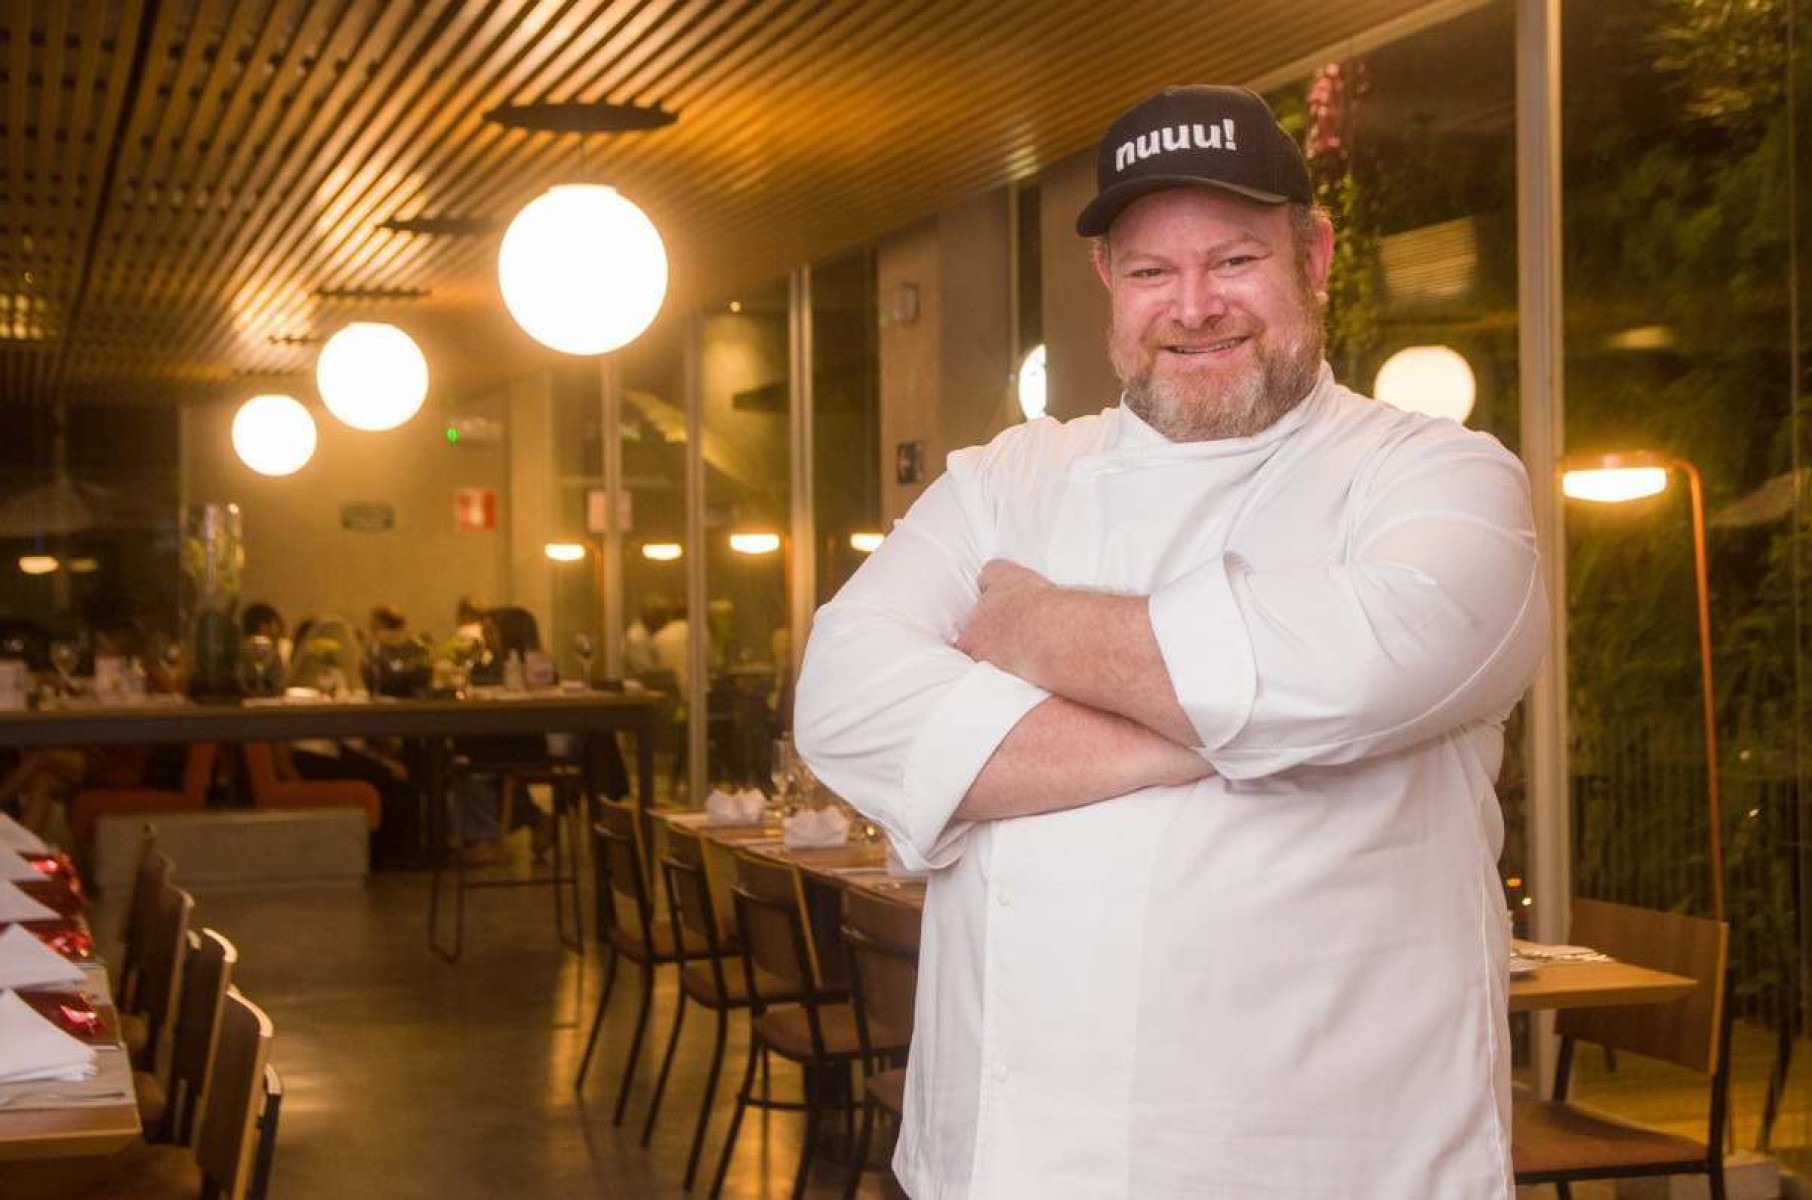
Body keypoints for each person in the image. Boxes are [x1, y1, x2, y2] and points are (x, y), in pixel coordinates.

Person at [794, 85, 1547, 1198]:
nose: (1193, 307)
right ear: (1109, 282)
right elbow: (844, 701)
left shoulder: (1438, 476)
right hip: (1015, 1164)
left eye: (1235, 260)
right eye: (1153, 272)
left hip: (1338, 1163)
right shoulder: (1010, 478)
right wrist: (1211, 728)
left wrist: (1032, 627)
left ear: (1315, 256)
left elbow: (1363, 662)